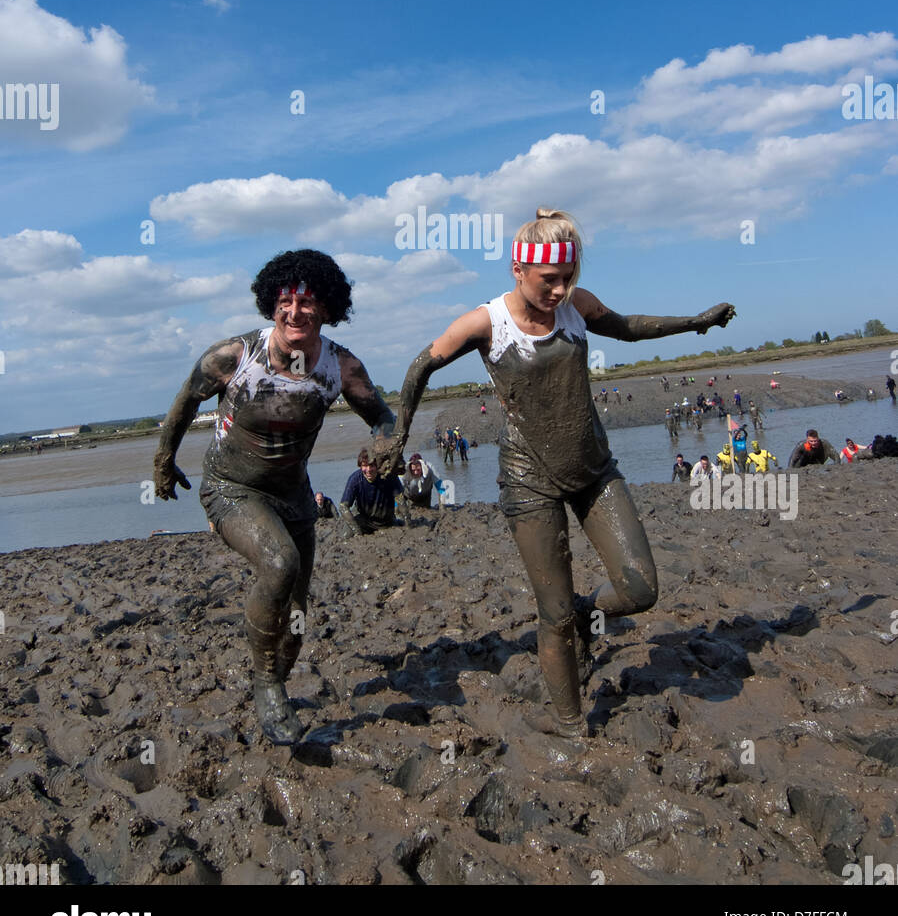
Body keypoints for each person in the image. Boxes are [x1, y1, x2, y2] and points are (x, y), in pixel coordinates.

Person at [377, 207, 736, 738]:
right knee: (555, 613)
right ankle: (567, 722)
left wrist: (694, 323)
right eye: (549, 279)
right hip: (529, 481)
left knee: (640, 590)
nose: (560, 290)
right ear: (517, 270)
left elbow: (629, 328)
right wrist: (396, 436)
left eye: (568, 277)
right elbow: (421, 365)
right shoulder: (485, 323)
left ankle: (589, 615)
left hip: (594, 470)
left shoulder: (577, 307)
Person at [153, 249, 396, 746]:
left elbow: (383, 417)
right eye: (285, 301)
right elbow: (184, 402)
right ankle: (266, 683)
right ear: (271, 305)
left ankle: (276, 683)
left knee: (298, 620)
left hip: (294, 496)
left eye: (307, 303)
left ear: (327, 308)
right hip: (231, 487)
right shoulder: (233, 357)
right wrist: (163, 462)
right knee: (279, 563)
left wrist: (385, 444)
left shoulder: (341, 367)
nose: (295, 312)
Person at [340, 448, 404, 533]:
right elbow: (343, 506)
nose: (369, 470)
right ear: (360, 466)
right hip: (364, 520)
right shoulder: (355, 479)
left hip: (387, 521)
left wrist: (407, 520)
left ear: (378, 465)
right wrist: (357, 531)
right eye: (365, 466)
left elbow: (400, 498)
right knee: (345, 535)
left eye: (371, 465)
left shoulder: (389, 476)